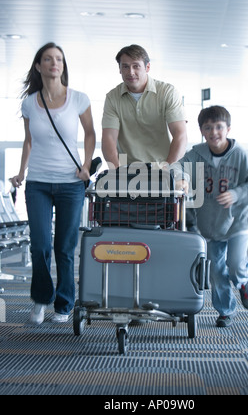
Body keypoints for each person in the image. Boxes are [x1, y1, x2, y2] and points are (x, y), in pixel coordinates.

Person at [11, 43, 96, 325]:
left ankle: (64, 303)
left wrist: (86, 165)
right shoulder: (29, 103)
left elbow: (90, 134)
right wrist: (21, 172)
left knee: (64, 247)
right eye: (48, 59)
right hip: (37, 183)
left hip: (70, 183)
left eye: (58, 59)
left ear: (63, 65)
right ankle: (40, 299)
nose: (54, 63)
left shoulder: (78, 99)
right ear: (39, 66)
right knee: (39, 246)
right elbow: (28, 140)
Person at [176, 106, 248, 328]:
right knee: (216, 270)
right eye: (208, 127)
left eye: (218, 127)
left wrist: (237, 194)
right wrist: (182, 179)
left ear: (228, 129)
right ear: (202, 131)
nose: (214, 132)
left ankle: (243, 283)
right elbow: (177, 167)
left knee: (234, 264)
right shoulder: (196, 154)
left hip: (238, 221)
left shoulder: (240, 155)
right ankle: (225, 310)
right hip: (211, 223)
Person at [101, 44, 187, 168]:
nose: (130, 72)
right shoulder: (112, 97)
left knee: (180, 184)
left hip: (164, 164)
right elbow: (109, 138)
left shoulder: (167, 92)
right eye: (125, 66)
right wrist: (117, 171)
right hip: (127, 168)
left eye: (136, 66)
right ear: (119, 69)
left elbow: (180, 134)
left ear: (147, 67)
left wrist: (167, 168)